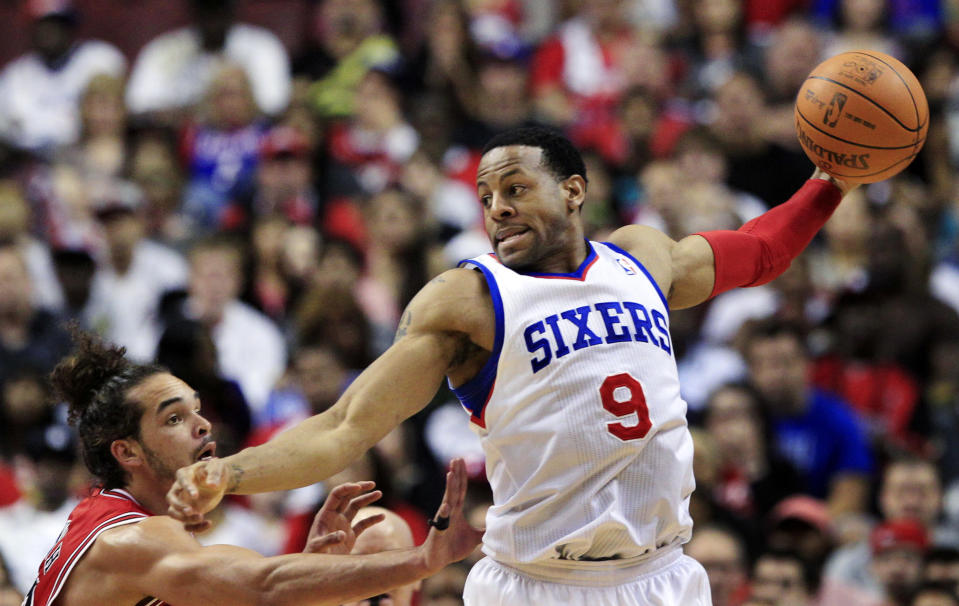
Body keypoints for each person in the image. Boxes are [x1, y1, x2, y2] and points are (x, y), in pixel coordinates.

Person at [168, 126, 857, 604]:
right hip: (537, 585)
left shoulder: (642, 258)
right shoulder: (469, 299)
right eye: (486, 197)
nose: (497, 207)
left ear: (573, 190)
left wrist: (829, 182)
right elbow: (345, 427)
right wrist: (229, 473)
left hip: (661, 577)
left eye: (516, 188)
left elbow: (760, 249)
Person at [20, 331, 482, 606]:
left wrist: (313, 568)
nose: (202, 425)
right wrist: (425, 560)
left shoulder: (130, 523)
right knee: (386, 541)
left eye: (197, 410)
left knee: (377, 533)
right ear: (128, 453)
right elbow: (263, 588)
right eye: (174, 418)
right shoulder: (130, 539)